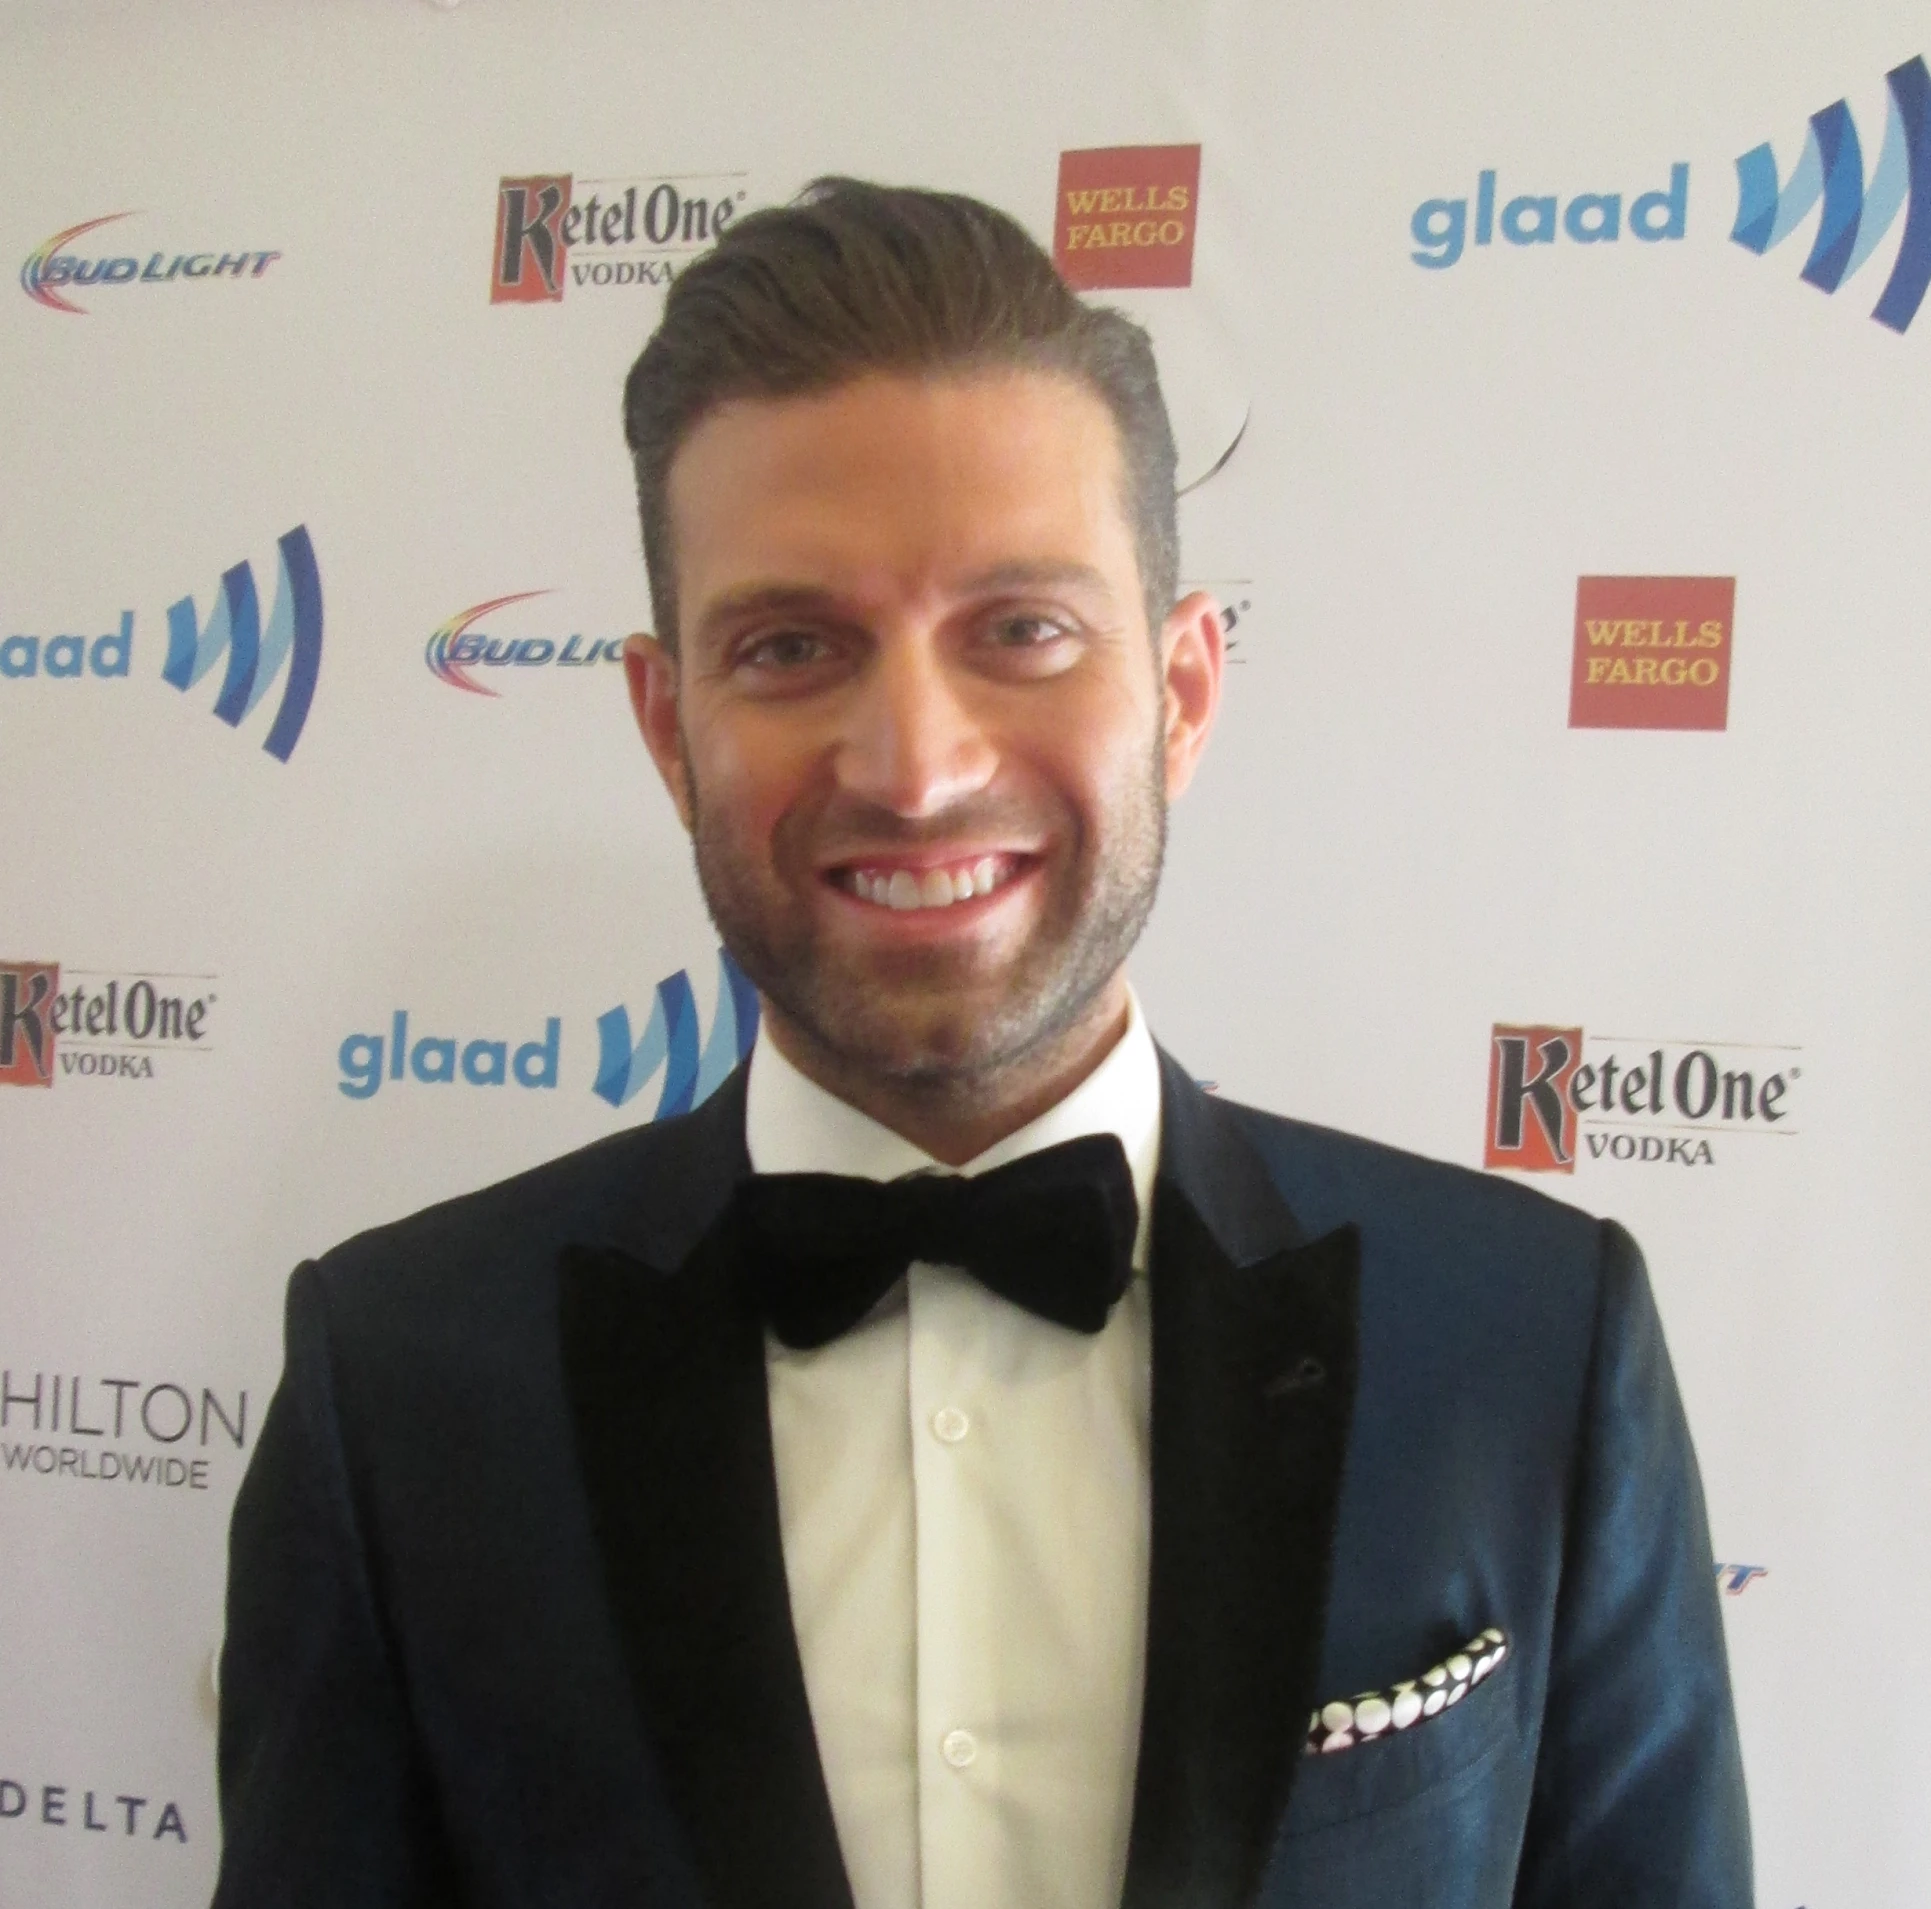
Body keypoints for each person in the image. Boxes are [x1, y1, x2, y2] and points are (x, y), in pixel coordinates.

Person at [212, 179, 1751, 1908]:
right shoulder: (400, 1384)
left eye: (1021, 630)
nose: (916, 765)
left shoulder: (1532, 1346)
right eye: (792, 647)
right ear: (667, 724)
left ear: (1178, 691)